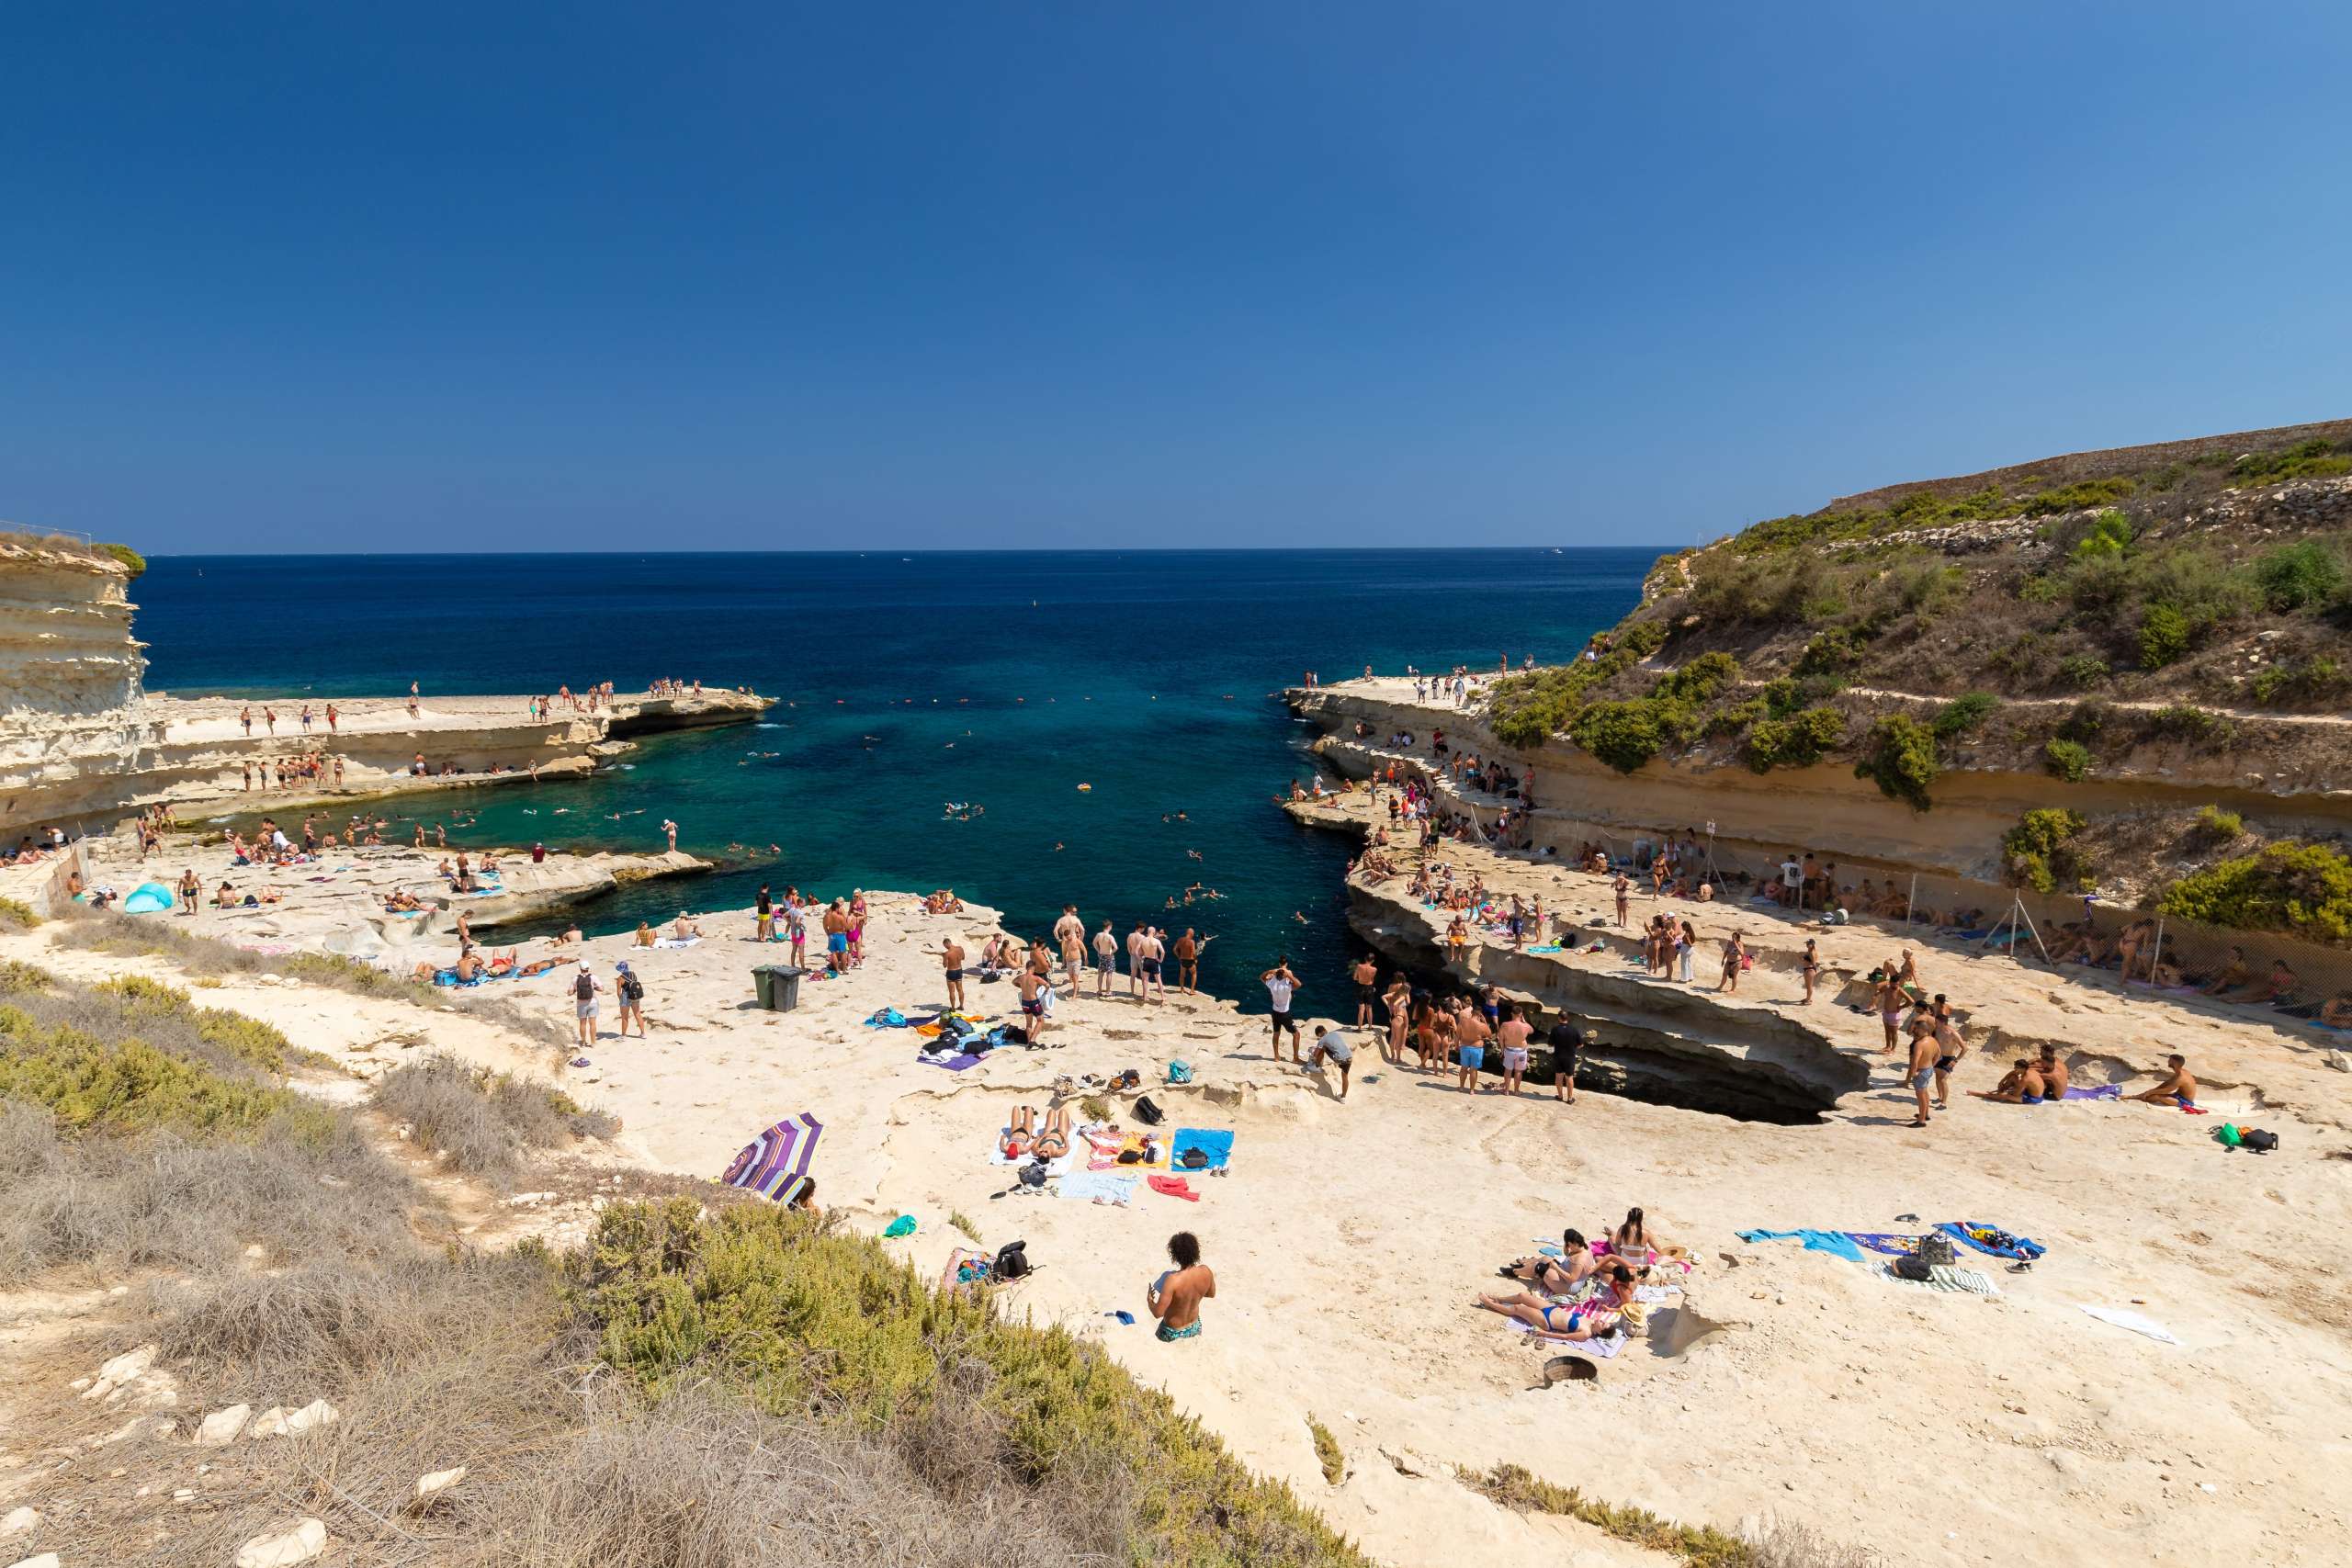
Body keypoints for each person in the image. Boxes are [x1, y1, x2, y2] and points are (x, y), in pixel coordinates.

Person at [1148, 1231, 1216, 1342]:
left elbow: (1157, 1313)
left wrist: (1150, 1301)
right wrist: (1192, 1295)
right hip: (1194, 1327)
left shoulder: (1172, 1280)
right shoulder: (1206, 1271)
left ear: (1175, 1255)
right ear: (1196, 1251)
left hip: (1172, 1332)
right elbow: (1211, 1294)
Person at [1903, 1000, 1939, 1127]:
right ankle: (1925, 1114)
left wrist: (1914, 1073)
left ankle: (1921, 1120)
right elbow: (1938, 1054)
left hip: (1921, 1070)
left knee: (1920, 1095)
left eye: (1916, 1030)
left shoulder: (1919, 1044)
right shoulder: (1933, 1040)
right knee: (1925, 1092)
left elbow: (1915, 1061)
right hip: (1928, 1068)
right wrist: (1932, 1066)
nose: (1914, 1032)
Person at [1261, 959, 1303, 1060]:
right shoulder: (1287, 986)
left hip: (1275, 1012)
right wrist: (1289, 975)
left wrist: (1270, 971)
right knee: (1296, 1035)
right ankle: (1296, 1058)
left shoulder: (1271, 984)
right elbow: (1299, 984)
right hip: (1285, 1014)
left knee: (1276, 1033)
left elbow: (1261, 977)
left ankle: (1276, 1056)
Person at [1306, 1024, 1354, 1100]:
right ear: (1325, 1030)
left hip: (1341, 1059)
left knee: (1323, 1048)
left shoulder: (1322, 1040)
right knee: (1345, 1076)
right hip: (1349, 1056)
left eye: (1318, 1036)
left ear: (1319, 1034)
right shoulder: (1335, 1033)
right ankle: (1343, 1097)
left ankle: (1316, 1066)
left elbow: (1315, 1054)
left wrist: (1312, 1053)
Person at [1975, 1055, 2048, 1104]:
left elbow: (2016, 1094)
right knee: (2013, 1077)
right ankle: (1999, 1091)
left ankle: (1981, 1095)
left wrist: (2006, 1092)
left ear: (2023, 1068)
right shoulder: (2030, 1070)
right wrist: (2002, 1081)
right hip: (2031, 1092)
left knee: (2006, 1096)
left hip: (2035, 1098)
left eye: (2016, 1067)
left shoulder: (2026, 1079)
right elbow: (2012, 1073)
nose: (2014, 1069)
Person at [2132, 1054, 2198, 1107]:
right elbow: (2166, 1083)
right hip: (2177, 1096)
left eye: (2170, 1060)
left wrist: (2149, 1093)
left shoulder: (2181, 1078)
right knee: (2153, 1093)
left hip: (2185, 1102)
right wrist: (2151, 1091)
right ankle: (2137, 1096)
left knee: (2156, 1096)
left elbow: (2166, 1090)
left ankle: (2135, 1097)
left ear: (2174, 1063)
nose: (2168, 1061)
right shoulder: (2181, 1072)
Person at [1496, 1001, 1532, 1096]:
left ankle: (1506, 1090)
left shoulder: (1504, 1025)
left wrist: (1502, 1051)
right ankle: (1516, 1091)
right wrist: (1524, 1021)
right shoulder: (1525, 1026)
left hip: (1509, 1051)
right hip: (1521, 1052)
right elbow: (1531, 1031)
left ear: (1511, 1013)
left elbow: (1501, 1039)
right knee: (1519, 1071)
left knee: (1508, 1070)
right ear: (1521, 1014)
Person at [1453, 998, 1490, 1092]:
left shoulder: (1463, 1022)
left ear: (1472, 1013)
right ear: (1480, 1014)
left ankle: (1461, 1087)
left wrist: (1456, 1045)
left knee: (1464, 1068)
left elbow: (1457, 1035)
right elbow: (1489, 1034)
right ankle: (1472, 1090)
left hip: (1465, 1047)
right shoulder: (1482, 1025)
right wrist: (1485, 1021)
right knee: (1474, 1069)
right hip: (1477, 1048)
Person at [571, 961, 603, 1048]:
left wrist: (575, 990)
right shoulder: (593, 977)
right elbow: (601, 988)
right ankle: (593, 1043)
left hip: (581, 1004)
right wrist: (594, 988)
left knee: (582, 1024)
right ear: (588, 968)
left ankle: (583, 1042)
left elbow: (569, 992)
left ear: (580, 968)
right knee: (592, 1023)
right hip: (592, 1002)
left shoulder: (575, 979)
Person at [1016, 964, 1048, 1044]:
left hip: (1024, 1002)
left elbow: (1013, 982)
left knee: (1029, 1023)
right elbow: (1047, 985)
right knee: (1040, 1020)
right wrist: (1046, 991)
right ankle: (1033, 1039)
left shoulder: (1021, 977)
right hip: (1034, 1002)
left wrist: (1022, 987)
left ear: (1026, 968)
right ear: (1033, 967)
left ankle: (1029, 1042)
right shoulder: (1035, 978)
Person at [933, 935, 966, 1011]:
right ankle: (961, 1006)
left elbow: (945, 965)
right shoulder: (960, 948)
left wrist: (943, 957)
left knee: (952, 991)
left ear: (947, 944)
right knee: (960, 989)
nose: (945, 948)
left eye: (945, 946)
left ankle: (953, 1008)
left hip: (951, 971)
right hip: (959, 970)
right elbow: (963, 958)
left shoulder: (947, 953)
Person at [1351, 954, 1378, 1026]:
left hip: (1360, 988)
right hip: (1369, 988)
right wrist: (1372, 988)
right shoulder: (1374, 969)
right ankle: (1370, 1026)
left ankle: (1359, 1027)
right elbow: (1372, 980)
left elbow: (1354, 978)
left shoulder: (1359, 966)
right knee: (1369, 1008)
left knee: (1361, 1009)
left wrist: (1360, 979)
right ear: (1373, 961)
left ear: (1365, 958)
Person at [1092, 919, 1117, 998]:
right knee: (1109, 974)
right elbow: (1116, 947)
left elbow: (1094, 943)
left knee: (1100, 974)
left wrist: (1098, 950)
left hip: (1101, 955)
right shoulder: (1110, 937)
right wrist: (1111, 953)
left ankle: (1099, 991)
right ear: (1109, 926)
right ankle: (1108, 992)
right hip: (1109, 956)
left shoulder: (1099, 935)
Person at [1799, 939, 1821, 1005]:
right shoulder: (1809, 951)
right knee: (1807, 985)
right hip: (1808, 969)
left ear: (1812, 944)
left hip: (1810, 969)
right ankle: (1807, 998)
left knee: (1809, 986)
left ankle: (1808, 1000)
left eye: (1808, 944)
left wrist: (1814, 970)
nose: (1807, 945)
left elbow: (1814, 963)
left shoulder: (1812, 952)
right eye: (1807, 944)